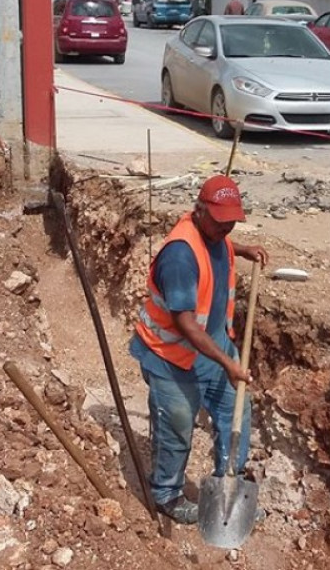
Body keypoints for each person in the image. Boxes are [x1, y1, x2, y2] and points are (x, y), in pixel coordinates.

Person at [129, 175, 269, 524]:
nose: (227, 228)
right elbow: (186, 325)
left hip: (212, 345)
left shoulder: (214, 234)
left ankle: (227, 485)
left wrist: (242, 249)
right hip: (172, 355)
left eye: (233, 221)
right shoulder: (178, 257)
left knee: (234, 412)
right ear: (200, 211)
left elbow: (215, 247)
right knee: (177, 426)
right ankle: (167, 494)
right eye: (221, 222)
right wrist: (228, 363)